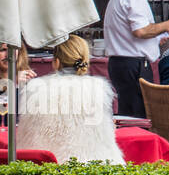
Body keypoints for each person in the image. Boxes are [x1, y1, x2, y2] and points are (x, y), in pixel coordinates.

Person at [14, 35, 123, 164]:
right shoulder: (99, 89)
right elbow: (107, 133)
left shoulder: (35, 89)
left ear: (56, 62)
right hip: (96, 167)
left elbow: (25, 137)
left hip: (44, 169)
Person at [102, 0, 169, 118]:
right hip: (133, 66)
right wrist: (167, 25)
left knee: (130, 114)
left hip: (124, 64)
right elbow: (141, 31)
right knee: (138, 117)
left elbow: (135, 32)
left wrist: (156, 38)